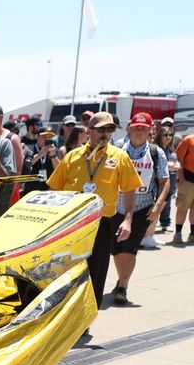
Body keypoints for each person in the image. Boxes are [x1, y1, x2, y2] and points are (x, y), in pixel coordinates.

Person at [46, 111, 143, 308]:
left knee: (96, 272)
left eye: (109, 130)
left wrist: (128, 220)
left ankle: (86, 315)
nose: (106, 134)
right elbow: (53, 188)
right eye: (101, 129)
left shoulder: (119, 157)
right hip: (71, 224)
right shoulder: (73, 156)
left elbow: (130, 189)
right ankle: (65, 312)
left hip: (101, 223)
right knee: (68, 270)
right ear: (88, 131)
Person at [107, 113, 168, 296]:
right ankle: (121, 279)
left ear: (150, 130)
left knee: (130, 248)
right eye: (135, 127)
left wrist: (158, 206)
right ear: (128, 128)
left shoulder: (157, 152)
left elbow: (164, 181)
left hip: (142, 207)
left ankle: (123, 286)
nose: (139, 132)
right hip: (116, 206)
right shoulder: (117, 148)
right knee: (118, 249)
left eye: (143, 128)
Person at [21, 128, 62, 195]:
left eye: (49, 137)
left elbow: (59, 170)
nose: (46, 139)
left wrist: (53, 156)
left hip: (49, 190)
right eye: (44, 137)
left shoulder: (56, 151)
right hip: (31, 189)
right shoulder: (29, 149)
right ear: (37, 137)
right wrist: (40, 155)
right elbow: (25, 166)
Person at [155, 125, 178, 234]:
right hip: (159, 183)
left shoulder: (170, 149)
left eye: (170, 135)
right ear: (160, 136)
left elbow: (176, 162)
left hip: (171, 181)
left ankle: (165, 224)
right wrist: (166, 166)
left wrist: (177, 165)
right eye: (165, 135)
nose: (168, 137)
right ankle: (149, 233)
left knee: (167, 205)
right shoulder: (156, 149)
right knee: (156, 206)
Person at [173, 129, 194, 245]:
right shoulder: (188, 140)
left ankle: (193, 234)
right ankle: (178, 234)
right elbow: (178, 159)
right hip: (187, 180)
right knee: (182, 208)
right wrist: (181, 179)